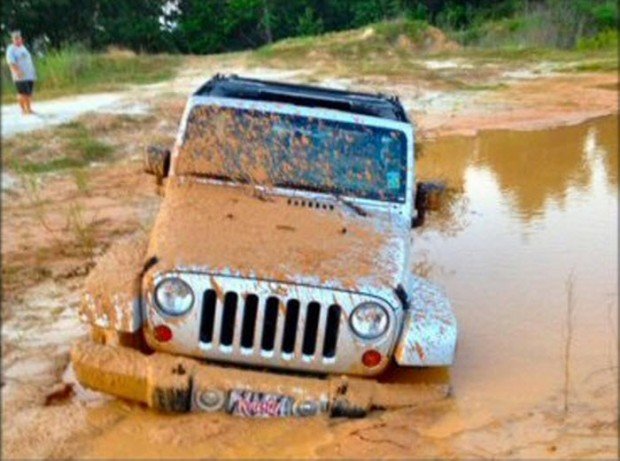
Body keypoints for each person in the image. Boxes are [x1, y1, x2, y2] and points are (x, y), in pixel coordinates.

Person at [6, 30, 37, 115]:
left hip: (29, 75)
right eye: (15, 38)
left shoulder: (23, 48)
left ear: (21, 38)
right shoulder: (11, 49)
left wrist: (33, 72)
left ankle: (29, 109)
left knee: (29, 93)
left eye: (18, 38)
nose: (17, 40)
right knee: (23, 93)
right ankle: (24, 110)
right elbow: (11, 62)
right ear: (12, 40)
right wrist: (17, 71)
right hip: (20, 76)